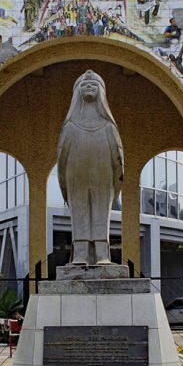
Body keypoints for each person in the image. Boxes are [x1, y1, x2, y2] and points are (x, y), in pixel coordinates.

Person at [57, 71, 124, 265]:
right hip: (75, 179)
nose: (88, 87)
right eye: (84, 85)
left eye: (94, 84)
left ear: (101, 92)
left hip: (104, 178)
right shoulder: (69, 127)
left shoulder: (109, 127)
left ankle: (102, 254)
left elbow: (118, 162)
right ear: (76, 92)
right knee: (78, 212)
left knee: (102, 212)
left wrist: (115, 186)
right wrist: (65, 187)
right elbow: (62, 162)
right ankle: (80, 254)